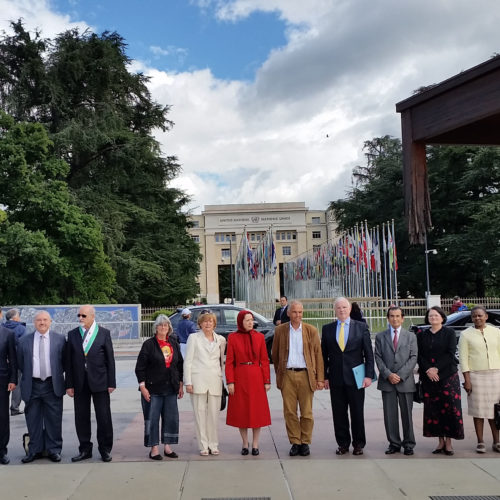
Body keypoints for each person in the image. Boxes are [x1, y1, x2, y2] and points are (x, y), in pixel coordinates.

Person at [321, 297, 374, 456]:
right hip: (336, 377)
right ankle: (343, 444)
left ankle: (358, 444)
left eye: (344, 307)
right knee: (339, 413)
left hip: (356, 377)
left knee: (357, 412)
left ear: (349, 309)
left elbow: (368, 354)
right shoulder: (327, 329)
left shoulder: (361, 327)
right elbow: (323, 356)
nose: (342, 310)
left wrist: (368, 375)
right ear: (335, 310)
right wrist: (325, 376)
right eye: (339, 308)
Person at [272, 300, 324, 457]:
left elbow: (318, 355)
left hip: (306, 375)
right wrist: (279, 373)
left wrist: (319, 378)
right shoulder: (280, 330)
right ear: (288, 313)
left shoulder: (311, 330)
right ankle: (295, 441)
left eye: (300, 312)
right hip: (287, 374)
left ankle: (305, 442)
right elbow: (274, 354)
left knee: (307, 412)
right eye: (294, 312)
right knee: (290, 411)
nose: (297, 315)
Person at [66, 305, 116, 462]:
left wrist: (111, 382)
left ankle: (105, 449)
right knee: (81, 417)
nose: (80, 318)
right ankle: (85, 449)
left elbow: (110, 360)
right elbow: (68, 362)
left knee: (103, 417)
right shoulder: (73, 334)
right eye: (79, 315)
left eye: (84, 316)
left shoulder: (103, 333)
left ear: (92, 316)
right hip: (79, 383)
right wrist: (69, 384)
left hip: (100, 381)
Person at [17, 310, 66, 463]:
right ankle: (34, 450)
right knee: (33, 419)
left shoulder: (60, 339)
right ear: (34, 322)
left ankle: (54, 450)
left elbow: (64, 362)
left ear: (50, 322)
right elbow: (21, 363)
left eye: (45, 320)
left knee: (54, 418)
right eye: (39, 320)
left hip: (52, 384)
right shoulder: (24, 341)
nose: (42, 322)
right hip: (32, 385)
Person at [135, 315, 184, 460]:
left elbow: (179, 364)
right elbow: (140, 368)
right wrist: (142, 387)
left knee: (171, 418)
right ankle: (154, 448)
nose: (163, 328)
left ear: (169, 328)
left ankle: (168, 446)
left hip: (171, 387)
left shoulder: (173, 342)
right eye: (160, 325)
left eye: (166, 325)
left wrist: (180, 383)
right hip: (152, 388)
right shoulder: (149, 344)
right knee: (152, 418)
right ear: (156, 327)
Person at [417, 306, 464, 455]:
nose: (433, 318)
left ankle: (449, 442)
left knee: (450, 408)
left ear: (442, 317)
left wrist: (436, 368)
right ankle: (440, 442)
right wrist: (428, 370)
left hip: (448, 376)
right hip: (429, 378)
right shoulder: (422, 335)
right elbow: (420, 355)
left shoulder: (449, 333)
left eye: (436, 316)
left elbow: (451, 353)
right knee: (434, 410)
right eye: (431, 316)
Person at [226, 310, 271, 456]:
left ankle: (256, 444)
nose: (250, 322)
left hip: (256, 377)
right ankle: (245, 443)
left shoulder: (259, 337)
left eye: (252, 320)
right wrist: (230, 381)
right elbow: (229, 362)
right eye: (247, 320)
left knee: (256, 412)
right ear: (240, 322)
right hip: (239, 376)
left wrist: (267, 380)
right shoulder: (233, 338)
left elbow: (264, 360)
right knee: (242, 411)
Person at [375, 306, 417, 456]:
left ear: (403, 318)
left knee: (407, 414)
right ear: (388, 318)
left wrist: (400, 375)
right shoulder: (380, 337)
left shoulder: (410, 336)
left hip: (405, 381)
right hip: (387, 382)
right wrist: (388, 374)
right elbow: (378, 357)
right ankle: (394, 443)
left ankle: (409, 444)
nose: (395, 319)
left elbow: (413, 357)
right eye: (392, 316)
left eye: (398, 316)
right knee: (390, 415)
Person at [459, 305, 500, 454]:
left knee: (495, 410)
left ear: (486, 317)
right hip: (476, 375)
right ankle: (480, 441)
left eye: (480, 315)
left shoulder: (496, 332)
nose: (477, 318)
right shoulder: (466, 335)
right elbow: (463, 359)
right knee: (478, 411)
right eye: (474, 316)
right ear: (471, 318)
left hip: (496, 375)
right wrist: (467, 380)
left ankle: (497, 441)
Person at [183, 311, 226, 456]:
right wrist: (188, 382)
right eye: (205, 321)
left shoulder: (221, 340)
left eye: (211, 321)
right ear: (200, 324)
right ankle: (203, 445)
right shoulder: (193, 338)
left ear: (214, 323)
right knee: (200, 414)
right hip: (197, 380)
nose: (208, 324)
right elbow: (188, 361)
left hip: (215, 380)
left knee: (213, 415)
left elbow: (221, 362)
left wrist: (223, 379)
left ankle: (213, 444)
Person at [3, 308, 26, 416]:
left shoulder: (2, 328)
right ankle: (14, 407)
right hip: (17, 361)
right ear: (15, 318)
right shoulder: (21, 328)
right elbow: (24, 346)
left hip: (3, 362)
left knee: (3, 385)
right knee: (17, 384)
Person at [0, 323, 17, 464]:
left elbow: (13, 359)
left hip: (2, 381)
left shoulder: (8, 334)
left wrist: (13, 379)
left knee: (2, 417)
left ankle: (2, 451)